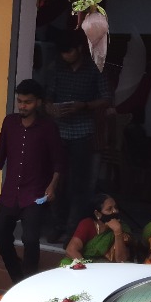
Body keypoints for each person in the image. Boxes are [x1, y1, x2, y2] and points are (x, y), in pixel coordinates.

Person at [0, 78, 64, 284]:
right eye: (19, 101)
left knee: (30, 239)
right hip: (10, 192)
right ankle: (18, 278)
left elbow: (58, 162)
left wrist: (52, 186)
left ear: (37, 102)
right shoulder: (9, 122)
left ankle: (27, 281)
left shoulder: (48, 128)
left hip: (35, 194)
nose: (22, 106)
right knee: (1, 237)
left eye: (27, 102)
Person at [45, 31, 109, 235]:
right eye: (63, 53)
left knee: (77, 183)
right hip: (59, 131)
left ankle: (73, 227)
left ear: (80, 49)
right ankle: (57, 224)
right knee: (56, 180)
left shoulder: (93, 70)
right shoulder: (57, 69)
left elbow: (107, 98)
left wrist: (84, 106)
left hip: (82, 132)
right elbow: (47, 97)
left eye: (69, 52)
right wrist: (50, 108)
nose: (66, 56)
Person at [60, 193, 129, 265]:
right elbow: (71, 250)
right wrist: (87, 268)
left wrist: (118, 232)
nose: (115, 211)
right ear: (97, 214)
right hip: (87, 264)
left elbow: (121, 260)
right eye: (109, 209)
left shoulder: (122, 227)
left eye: (116, 207)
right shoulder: (88, 224)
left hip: (109, 267)